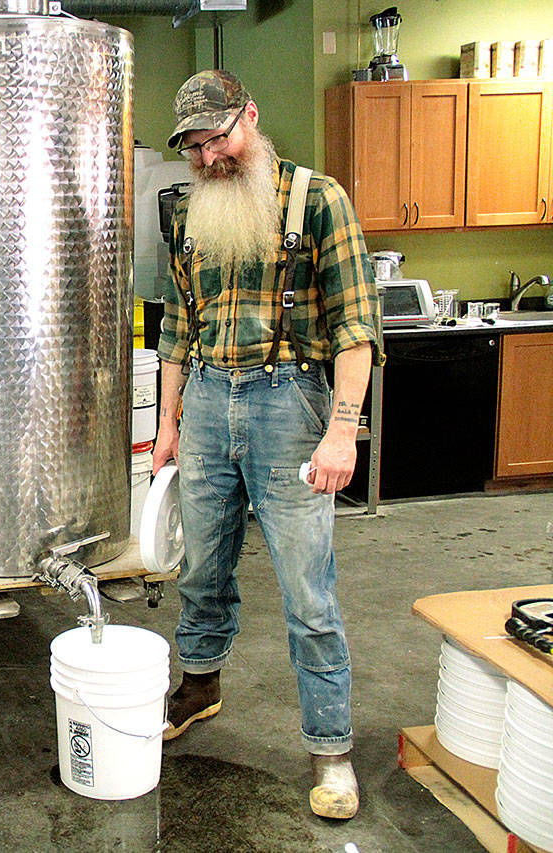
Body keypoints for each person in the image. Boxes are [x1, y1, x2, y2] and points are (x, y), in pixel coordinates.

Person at [151, 69, 380, 821]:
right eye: (195, 146)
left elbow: (355, 328)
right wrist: (168, 423)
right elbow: (178, 328)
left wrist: (343, 428)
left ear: (250, 115)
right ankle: (200, 683)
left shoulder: (319, 199)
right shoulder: (189, 211)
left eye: (220, 136)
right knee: (201, 566)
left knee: (308, 591)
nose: (211, 156)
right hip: (210, 401)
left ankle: (331, 747)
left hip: (292, 405)